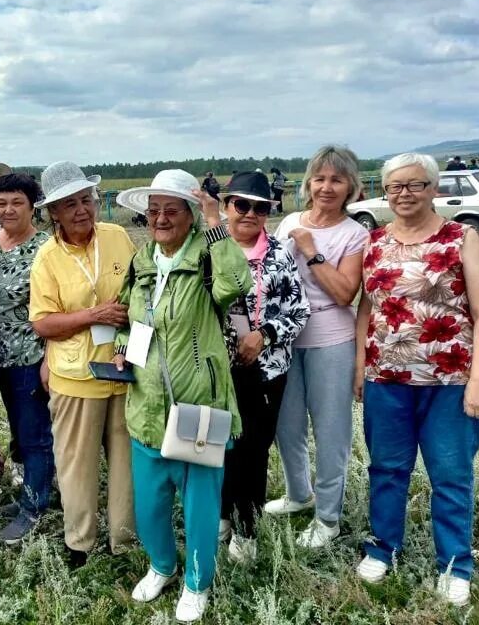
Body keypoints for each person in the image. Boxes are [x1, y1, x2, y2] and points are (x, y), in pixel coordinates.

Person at [354, 152, 479, 607]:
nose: (404, 194)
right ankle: (382, 546)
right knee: (387, 469)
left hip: (450, 381)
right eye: (395, 186)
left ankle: (455, 564)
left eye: (415, 185)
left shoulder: (461, 238)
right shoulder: (374, 242)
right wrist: (361, 366)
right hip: (386, 379)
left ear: (434, 189)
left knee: (451, 475)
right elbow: (366, 307)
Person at [112, 170, 251, 622]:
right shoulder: (142, 264)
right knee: (150, 501)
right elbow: (128, 321)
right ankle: (162, 566)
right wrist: (120, 352)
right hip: (146, 406)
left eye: (171, 210)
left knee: (200, 504)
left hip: (199, 407)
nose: (160, 219)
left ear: (190, 216)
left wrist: (217, 227)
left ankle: (196, 581)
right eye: (153, 211)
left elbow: (237, 285)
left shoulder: (207, 258)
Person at [29, 161, 136, 568]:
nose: (81, 210)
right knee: (77, 464)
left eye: (86, 199)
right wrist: (94, 316)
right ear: (53, 212)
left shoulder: (119, 236)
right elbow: (43, 322)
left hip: (125, 370)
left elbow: (138, 292)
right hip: (76, 376)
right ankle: (80, 542)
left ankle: (123, 540)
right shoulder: (47, 258)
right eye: (69, 204)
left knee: (126, 461)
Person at [268, 145, 369, 548]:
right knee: (286, 424)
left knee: (331, 431)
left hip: (331, 341)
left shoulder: (355, 234)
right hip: (284, 341)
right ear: (308, 183)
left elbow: (346, 293)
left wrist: (311, 251)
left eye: (337, 180)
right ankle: (298, 494)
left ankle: (328, 516)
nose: (327, 187)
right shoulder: (290, 220)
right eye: (320, 178)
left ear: (351, 187)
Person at [212, 172, 310, 561]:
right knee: (218, 445)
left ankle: (247, 528)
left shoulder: (280, 255)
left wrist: (264, 334)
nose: (250, 213)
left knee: (253, 450)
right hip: (215, 370)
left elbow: (299, 311)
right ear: (226, 207)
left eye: (261, 207)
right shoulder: (209, 250)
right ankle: (220, 513)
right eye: (242, 205)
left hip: (266, 370)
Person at [0, 173, 54, 544]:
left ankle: (34, 507)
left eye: (17, 203)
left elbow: (57, 306)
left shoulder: (46, 248)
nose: (8, 210)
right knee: (20, 431)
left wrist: (48, 359)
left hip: (31, 357)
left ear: (33, 206)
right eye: (1, 203)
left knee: (34, 435)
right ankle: (39, 490)